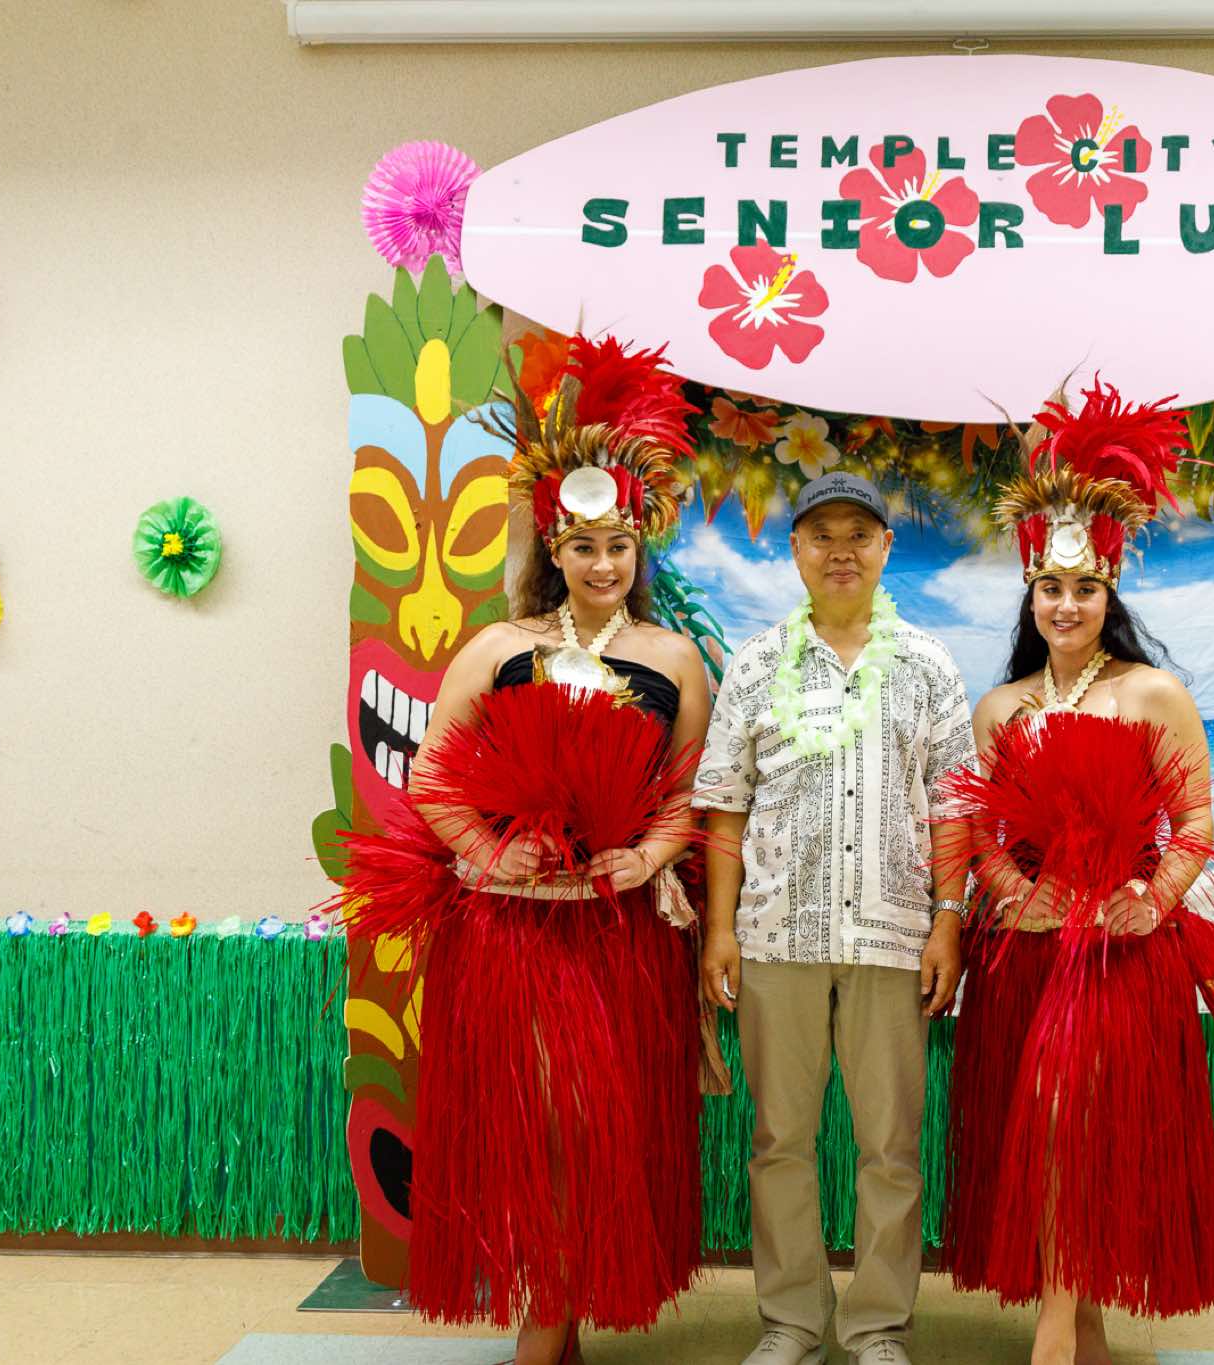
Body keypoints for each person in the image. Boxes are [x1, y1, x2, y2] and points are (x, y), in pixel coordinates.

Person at [336, 337, 713, 1365]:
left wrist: (649, 856)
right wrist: (485, 852)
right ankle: (544, 1325)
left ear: (639, 549)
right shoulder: (500, 650)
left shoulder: (674, 660)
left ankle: (562, 1317)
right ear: (553, 545)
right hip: (513, 937)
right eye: (583, 547)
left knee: (595, 1126)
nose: (602, 566)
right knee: (536, 1120)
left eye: (618, 547)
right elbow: (431, 776)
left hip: (619, 937)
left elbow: (689, 795)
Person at [940, 383, 1214, 1365]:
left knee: (1085, 1130)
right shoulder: (1001, 710)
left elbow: (1194, 823)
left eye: (1084, 588)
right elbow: (979, 831)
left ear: (1110, 594)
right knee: (1043, 1132)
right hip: (1025, 953)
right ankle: (1079, 1329)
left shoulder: (1152, 694)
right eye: (1049, 588)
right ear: (1028, 596)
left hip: (1122, 957)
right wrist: (1011, 892)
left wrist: (1150, 900)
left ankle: (1055, 1336)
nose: (1066, 605)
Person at [695, 471, 976, 1365]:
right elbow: (725, 808)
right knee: (780, 1138)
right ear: (796, 550)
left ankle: (878, 1325)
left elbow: (956, 808)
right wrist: (720, 930)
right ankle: (791, 1321)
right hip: (777, 935)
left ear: (887, 547)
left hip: (893, 938)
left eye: (860, 533)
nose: (842, 550)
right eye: (823, 534)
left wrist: (948, 920)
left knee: (890, 1143)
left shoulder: (927, 665)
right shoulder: (756, 663)